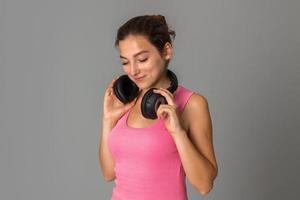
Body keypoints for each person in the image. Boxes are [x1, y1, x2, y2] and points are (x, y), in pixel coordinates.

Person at [99, 14, 218, 200]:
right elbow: (109, 173)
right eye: (125, 62)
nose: (133, 70)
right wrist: (108, 120)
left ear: (166, 51)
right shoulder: (126, 101)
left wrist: (178, 132)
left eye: (142, 59)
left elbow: (204, 185)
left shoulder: (192, 104)